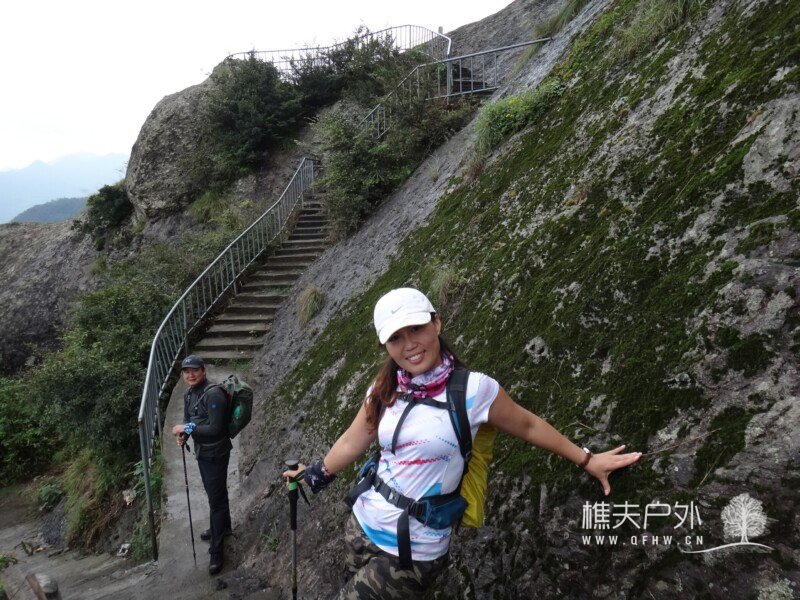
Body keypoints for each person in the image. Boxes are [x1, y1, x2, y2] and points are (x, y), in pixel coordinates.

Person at [284, 287, 642, 598]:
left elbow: (529, 425)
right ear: (385, 345)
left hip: (412, 552)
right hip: (361, 525)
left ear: (436, 323)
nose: (409, 345)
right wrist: (315, 473)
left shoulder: (474, 390)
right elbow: (353, 440)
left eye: (416, 328)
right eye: (396, 338)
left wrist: (587, 459)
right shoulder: (384, 388)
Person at [171, 354, 232, 575]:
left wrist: (186, 429)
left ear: (203, 371)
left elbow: (216, 428)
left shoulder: (214, 394)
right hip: (202, 452)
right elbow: (189, 421)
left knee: (215, 501)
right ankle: (224, 527)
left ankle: (217, 551)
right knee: (216, 494)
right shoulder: (189, 393)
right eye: (186, 371)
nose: (190, 375)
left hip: (216, 452)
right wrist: (184, 436)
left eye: (194, 370)